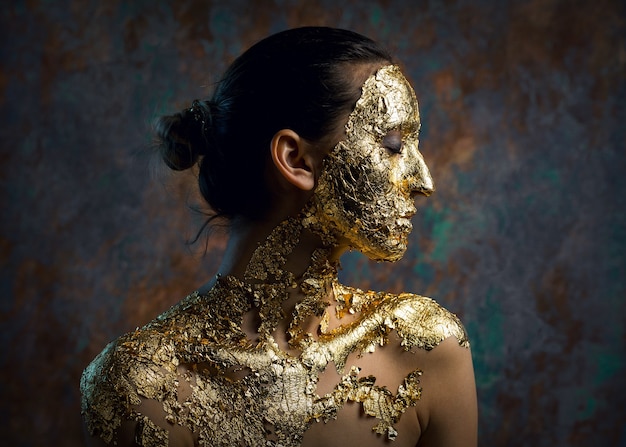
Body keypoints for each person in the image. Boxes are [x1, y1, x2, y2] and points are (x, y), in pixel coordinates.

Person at [80, 27, 477, 447]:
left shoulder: (426, 349)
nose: (424, 180)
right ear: (295, 159)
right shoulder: (139, 387)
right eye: (393, 144)